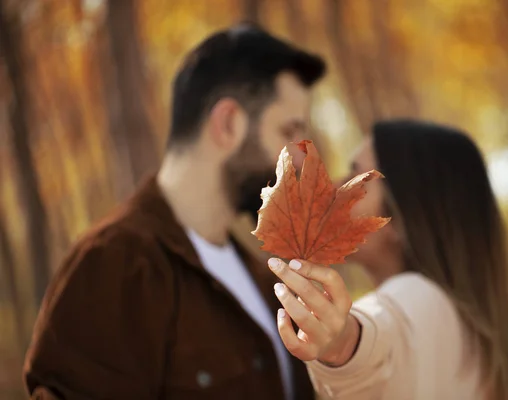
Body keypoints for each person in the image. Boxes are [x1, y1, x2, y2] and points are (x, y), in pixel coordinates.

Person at [23, 23, 325, 400]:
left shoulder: (263, 281)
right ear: (228, 124)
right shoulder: (114, 266)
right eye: (288, 131)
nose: (300, 155)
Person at [267, 120, 508, 400]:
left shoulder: (421, 298)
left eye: (355, 174)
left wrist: (345, 345)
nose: (336, 184)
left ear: (398, 221)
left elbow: (382, 334)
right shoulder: (457, 321)